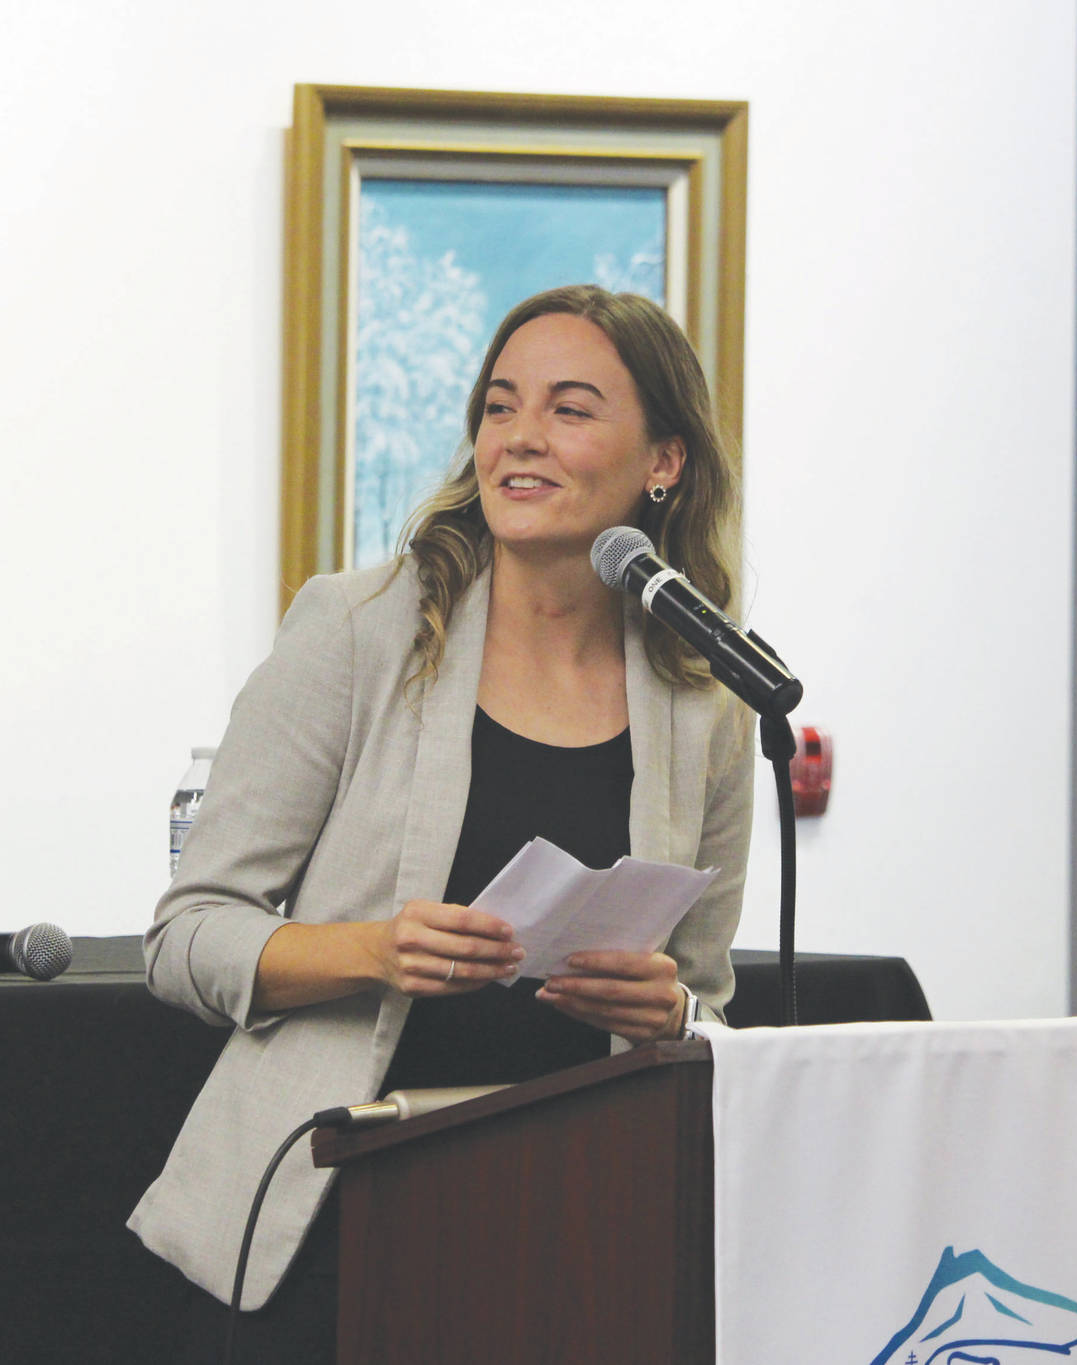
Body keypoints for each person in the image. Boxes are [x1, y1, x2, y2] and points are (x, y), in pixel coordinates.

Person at [130, 284, 754, 1362]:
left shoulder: (707, 704)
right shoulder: (359, 628)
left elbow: (704, 1004)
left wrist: (673, 1014)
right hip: (332, 1220)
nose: (519, 438)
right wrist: (380, 950)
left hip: (577, 1238)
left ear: (664, 461)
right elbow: (185, 938)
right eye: (499, 405)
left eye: (568, 409)